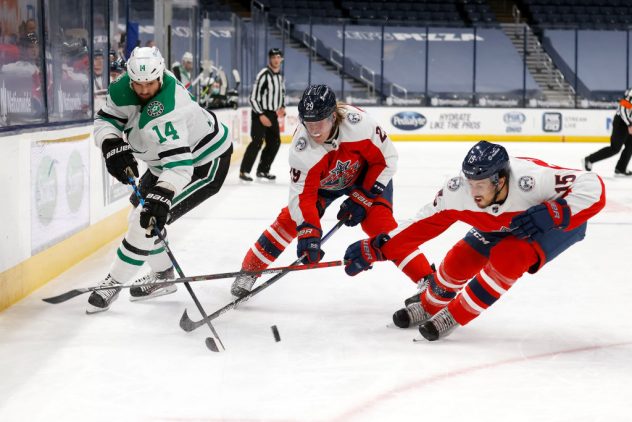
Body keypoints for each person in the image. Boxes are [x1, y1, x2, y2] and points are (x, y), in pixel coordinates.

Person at [344, 141, 606, 341]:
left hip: (549, 225)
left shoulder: (531, 181)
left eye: (480, 185)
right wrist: (377, 247)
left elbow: (593, 185)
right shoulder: (458, 191)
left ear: (500, 180)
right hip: (500, 223)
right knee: (459, 259)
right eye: (470, 182)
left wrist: (556, 213)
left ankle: (455, 314)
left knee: (508, 257)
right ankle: (429, 304)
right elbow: (420, 225)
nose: (473, 192)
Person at [230, 84, 433, 297]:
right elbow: (303, 197)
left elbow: (387, 160)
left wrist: (363, 197)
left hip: (366, 179)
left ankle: (427, 279)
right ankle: (250, 270)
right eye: (309, 123)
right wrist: (309, 231)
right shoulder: (302, 148)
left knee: (380, 226)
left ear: (333, 116)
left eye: (320, 122)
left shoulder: (360, 126)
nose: (315, 130)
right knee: (290, 220)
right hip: (323, 187)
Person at [90, 46, 233, 313]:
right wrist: (110, 144)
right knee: (141, 216)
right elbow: (106, 120)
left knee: (145, 220)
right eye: (138, 84)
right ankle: (164, 275)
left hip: (203, 163)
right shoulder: (122, 88)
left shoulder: (169, 108)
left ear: (161, 76)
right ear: (130, 78)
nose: (144, 90)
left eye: (150, 84)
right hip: (162, 162)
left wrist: (163, 195)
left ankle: (113, 282)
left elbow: (179, 167)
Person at [239, 48, 286, 182]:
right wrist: (260, 115)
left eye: (278, 57)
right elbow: (252, 98)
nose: (276, 60)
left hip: (272, 114)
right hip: (259, 113)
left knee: (275, 142)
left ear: (281, 59)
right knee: (257, 142)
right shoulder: (264, 75)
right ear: (269, 59)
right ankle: (244, 171)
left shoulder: (280, 76)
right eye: (273, 57)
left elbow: (281, 93)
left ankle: (263, 170)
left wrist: (282, 107)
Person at [583, 88, 632, 176]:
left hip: (629, 122)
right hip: (621, 122)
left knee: (630, 145)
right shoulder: (631, 93)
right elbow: (623, 109)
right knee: (615, 148)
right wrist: (629, 124)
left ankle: (621, 168)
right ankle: (589, 159)